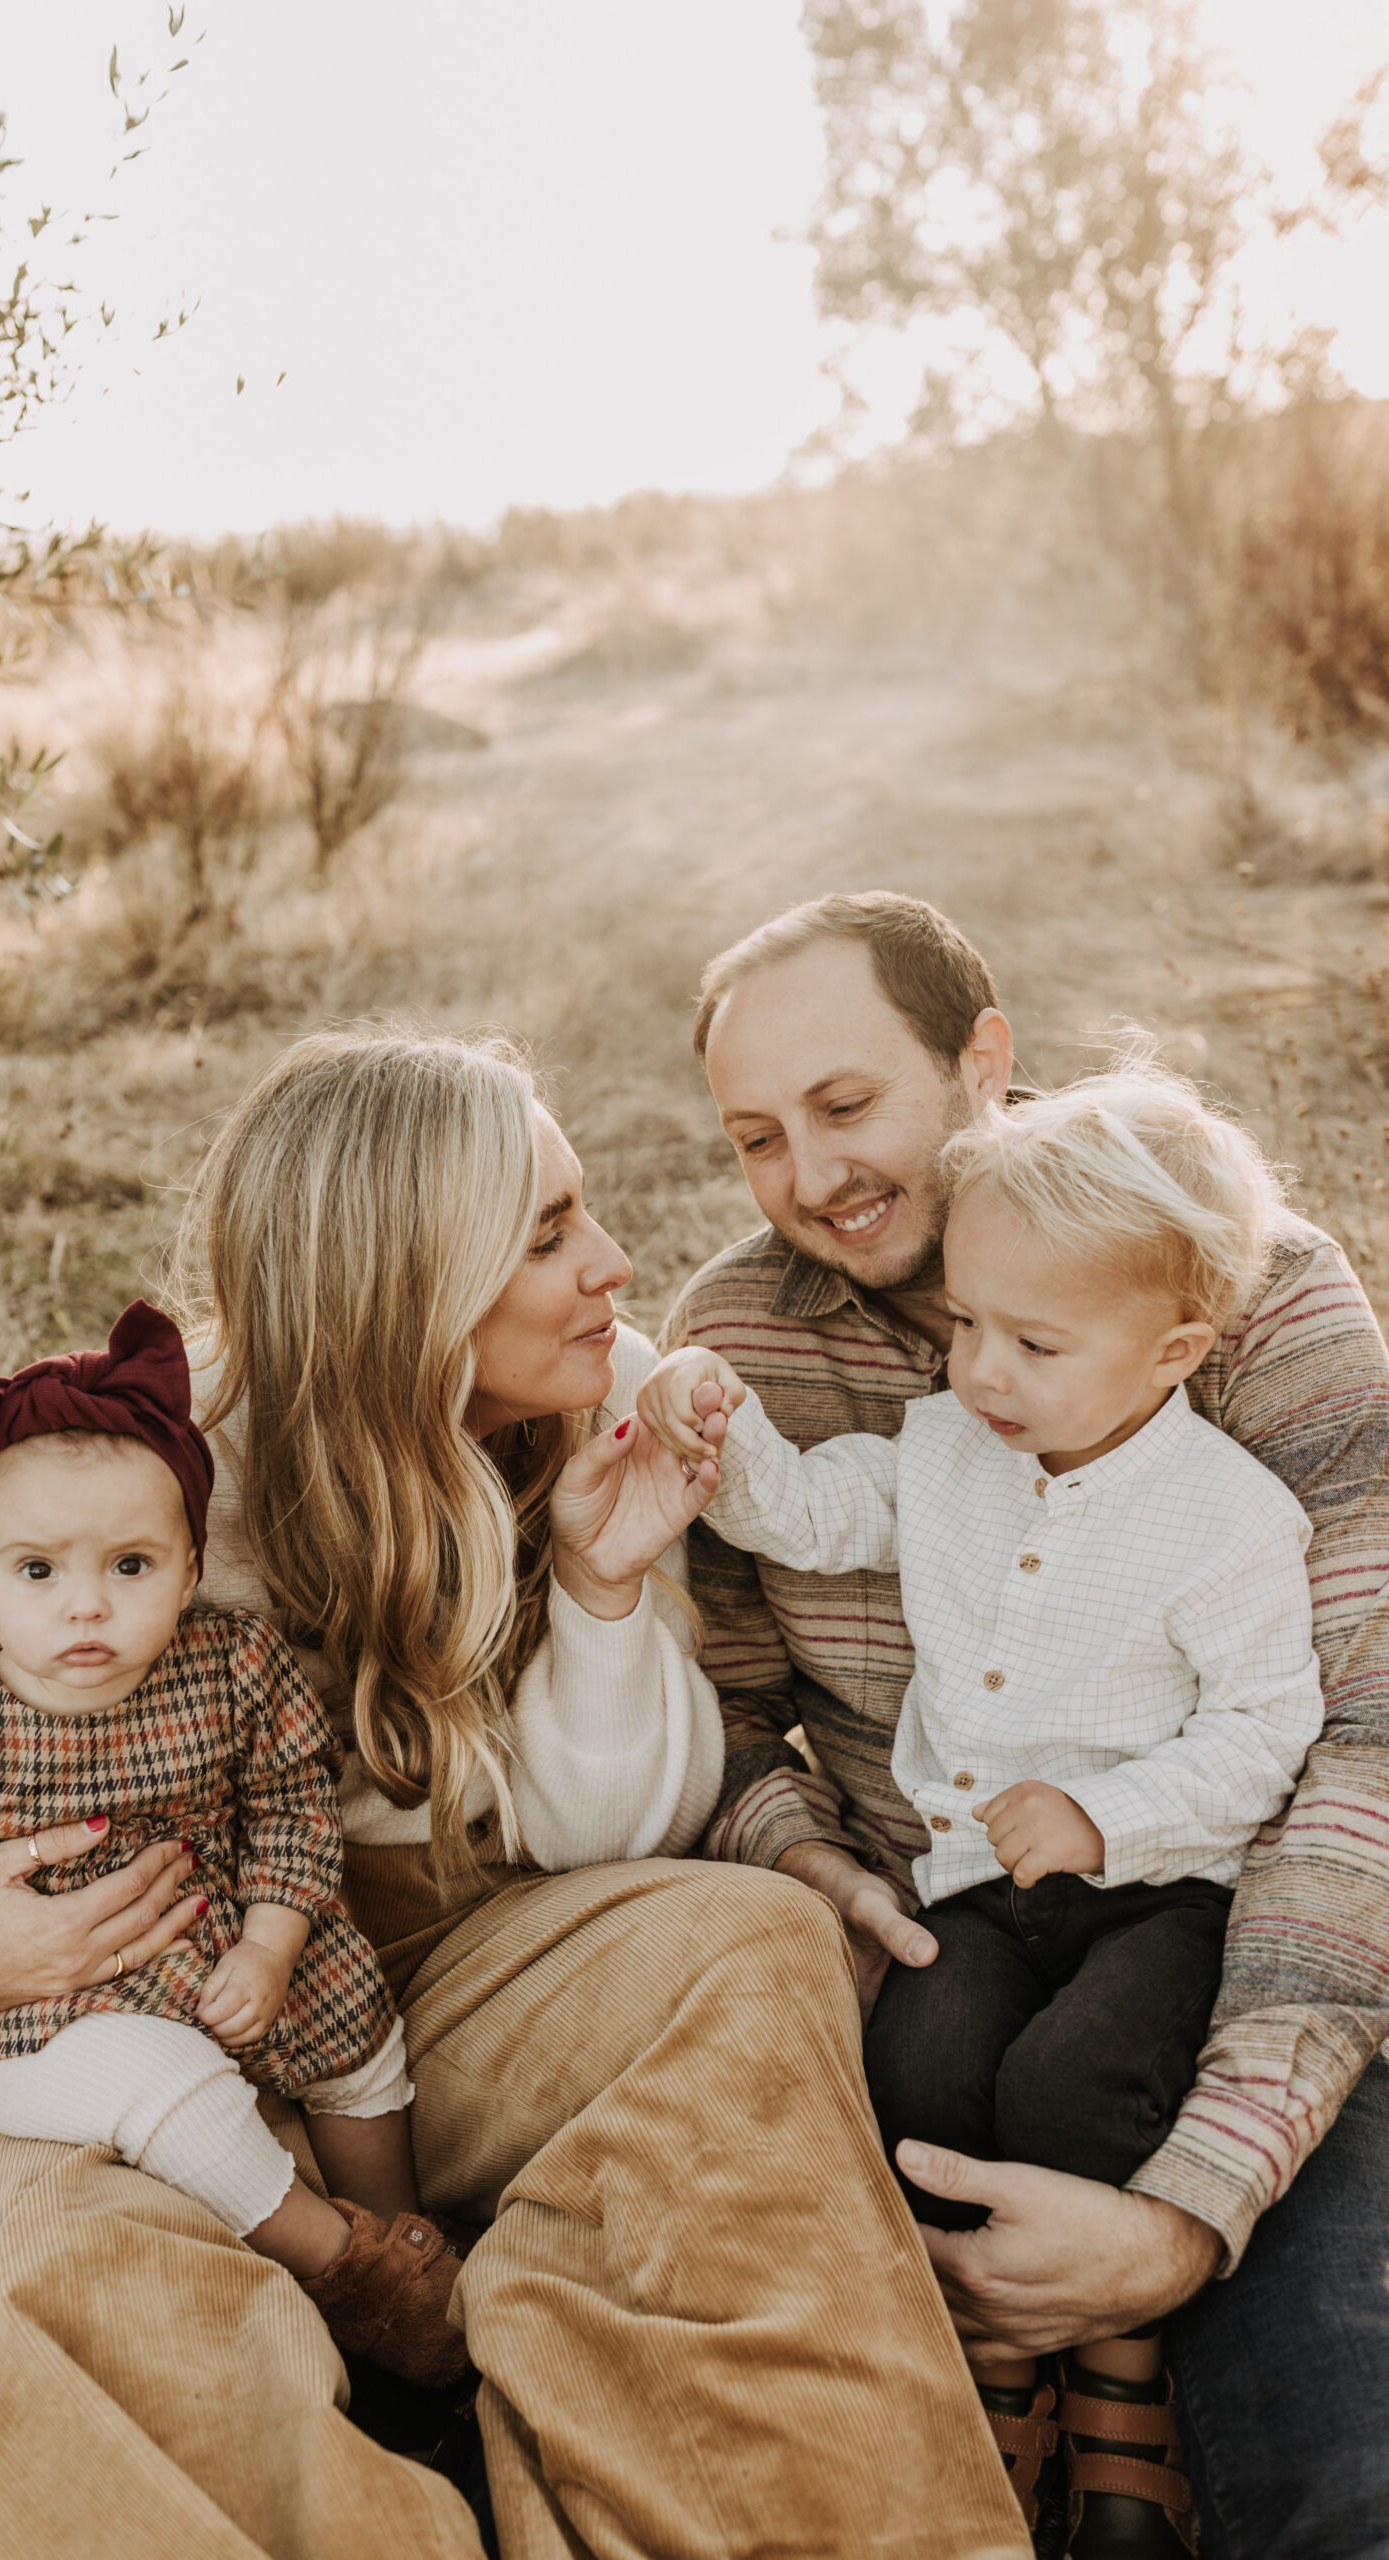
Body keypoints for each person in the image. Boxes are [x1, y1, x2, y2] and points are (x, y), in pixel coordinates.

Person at [0, 1027, 1028, 2560]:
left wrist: (600, 1588)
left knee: (748, 1945)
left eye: (584, 1211)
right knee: (52, 2272)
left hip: (450, 1982)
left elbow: (602, 1844)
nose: (617, 1265)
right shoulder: (138, 1469)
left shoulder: (599, 1395)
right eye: (549, 1233)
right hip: (119, 2024)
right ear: (398, 1289)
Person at [661, 892, 1389, 2559]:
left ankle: (1146, 2391)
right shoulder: (746, 1337)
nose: (812, 1176)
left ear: (982, 1062)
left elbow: (1358, 1739)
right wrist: (807, 1872)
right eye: (757, 1137)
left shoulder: (1243, 1284)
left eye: (848, 1107)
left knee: (1339, 2462)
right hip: (929, 1935)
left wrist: (1190, 2206)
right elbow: (720, 1703)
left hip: (1242, 1937)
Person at [0, 1299, 467, 2389]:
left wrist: (271, 1946)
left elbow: (295, 1805)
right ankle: (338, 2262)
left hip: (218, 1941)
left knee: (355, 2028)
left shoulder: (233, 1663)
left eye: (131, 1566)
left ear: (192, 1564)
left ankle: (399, 2243)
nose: (86, 1610)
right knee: (161, 2082)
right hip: (46, 2017)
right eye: (40, 1572)